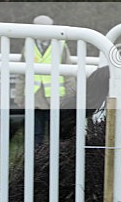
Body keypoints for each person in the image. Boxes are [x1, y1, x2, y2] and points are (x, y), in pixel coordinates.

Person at [14, 15, 75, 145]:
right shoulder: (28, 46)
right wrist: (19, 97)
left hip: (56, 98)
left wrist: (70, 96)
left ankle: (55, 157)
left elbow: (68, 73)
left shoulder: (60, 46)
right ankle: (35, 157)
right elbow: (22, 74)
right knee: (35, 135)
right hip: (34, 98)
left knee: (56, 134)